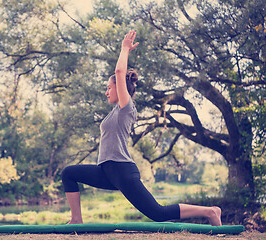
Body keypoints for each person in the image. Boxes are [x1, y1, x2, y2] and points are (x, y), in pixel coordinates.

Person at [61, 30, 222, 226]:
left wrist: (124, 49)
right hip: (106, 170)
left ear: (120, 88)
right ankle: (76, 220)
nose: (106, 92)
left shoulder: (126, 108)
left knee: (158, 213)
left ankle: (210, 211)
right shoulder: (114, 112)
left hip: (121, 170)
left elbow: (120, 73)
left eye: (109, 88)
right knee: (68, 173)